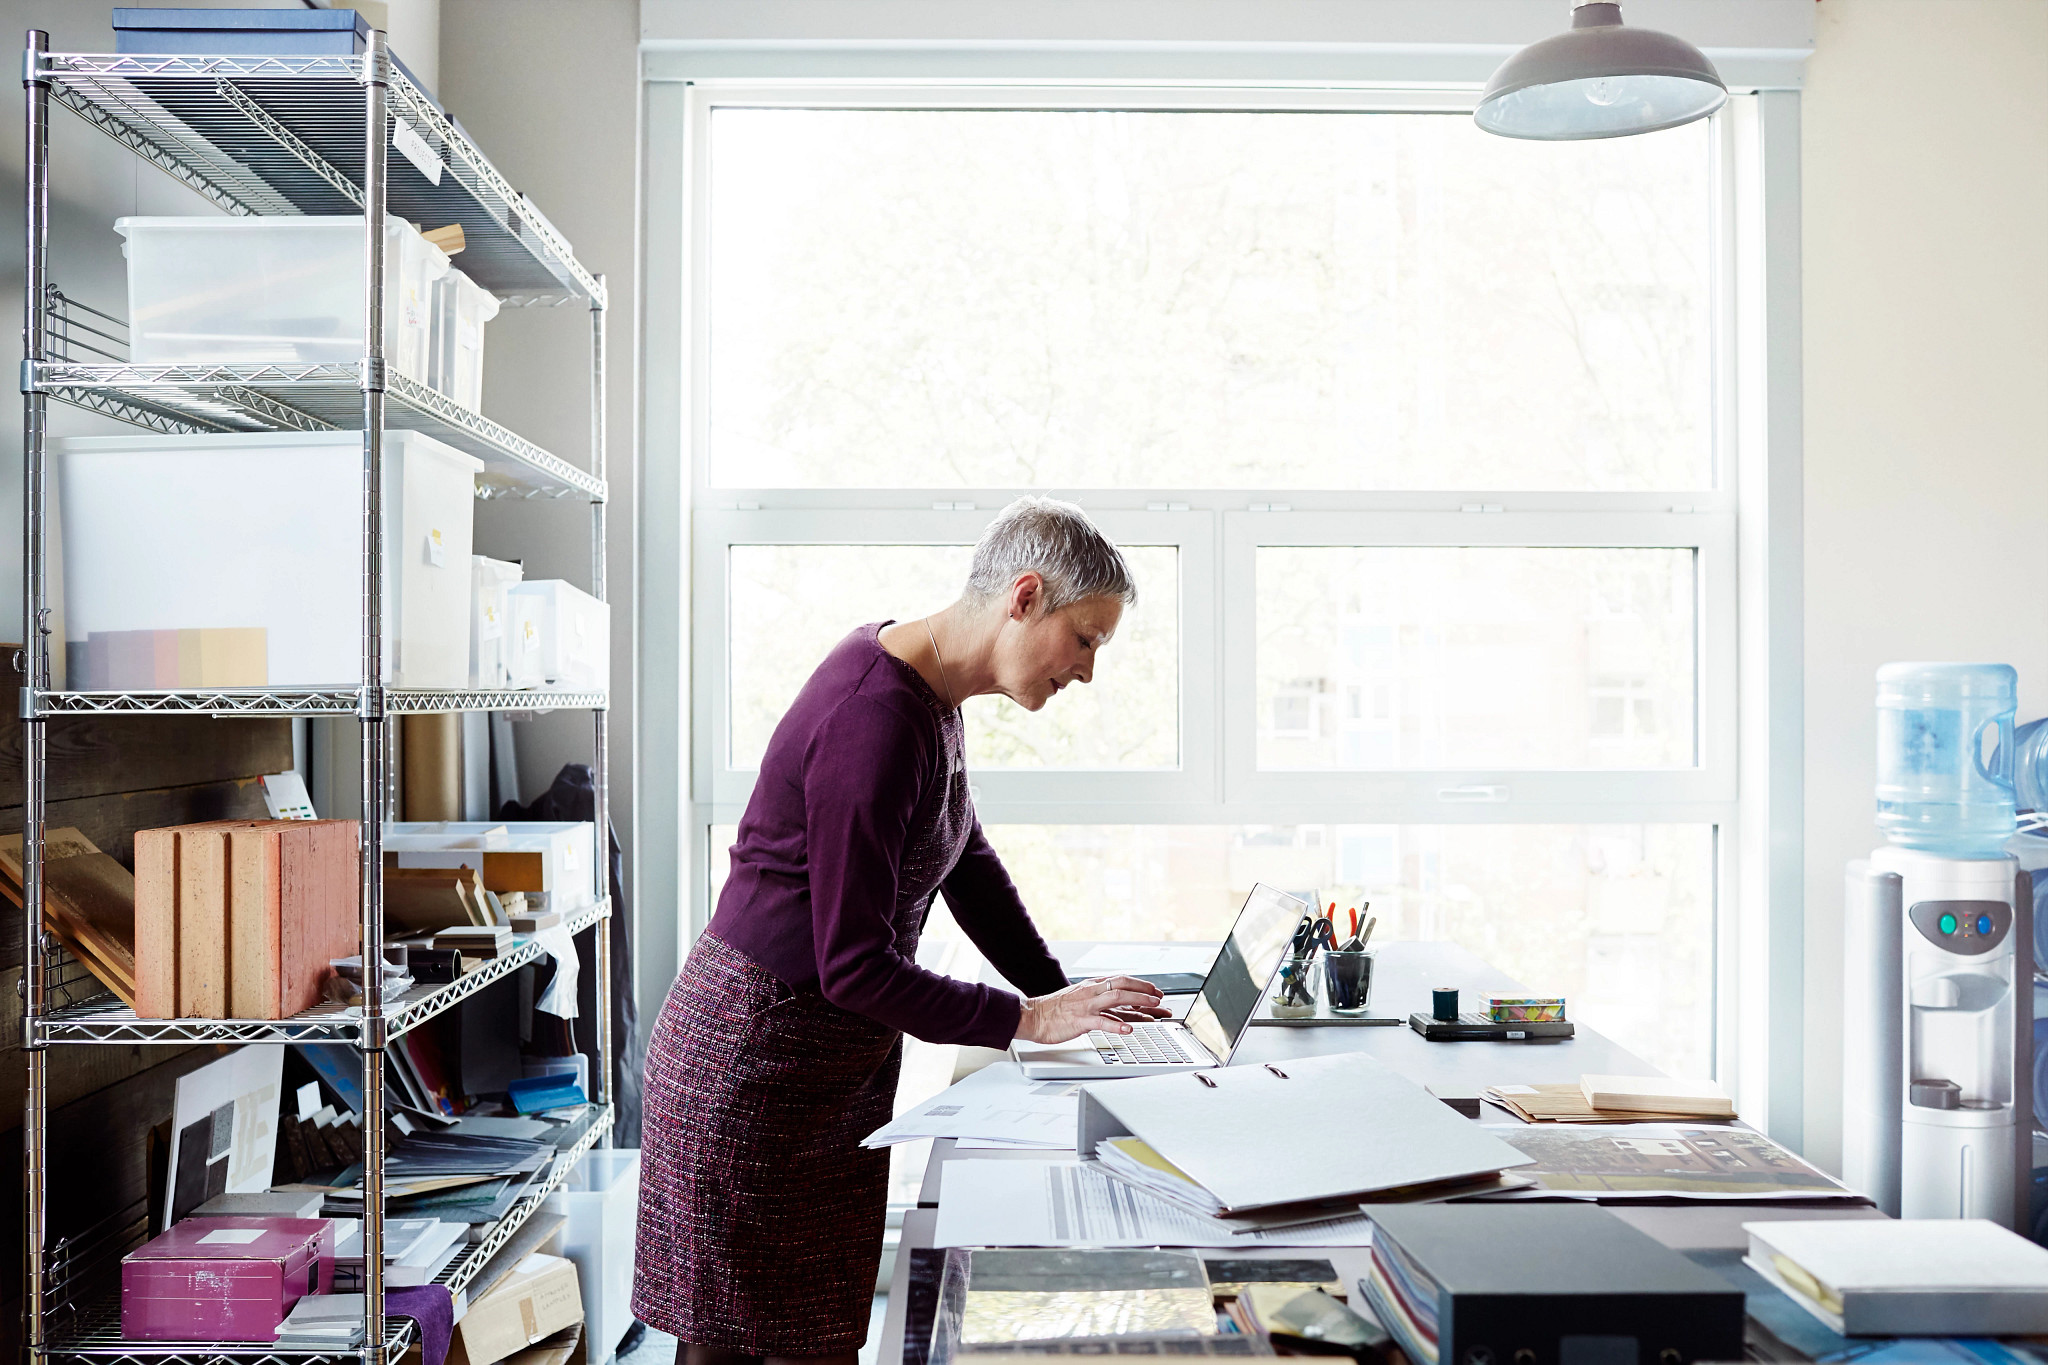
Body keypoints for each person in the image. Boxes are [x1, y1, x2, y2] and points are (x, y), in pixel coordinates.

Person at [632, 497, 1169, 1365]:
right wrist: (1030, 1021)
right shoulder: (874, 718)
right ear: (1024, 596)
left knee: (805, 1337)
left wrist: (1059, 993)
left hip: (817, 1069)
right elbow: (854, 965)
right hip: (757, 1066)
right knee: (735, 1346)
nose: (1087, 671)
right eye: (1087, 640)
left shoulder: (931, 697)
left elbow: (965, 858)